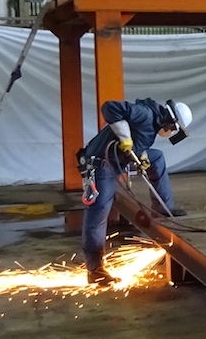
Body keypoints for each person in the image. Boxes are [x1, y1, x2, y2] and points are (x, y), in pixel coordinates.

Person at [77, 98, 193, 286]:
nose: (172, 132)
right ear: (169, 121)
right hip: (102, 165)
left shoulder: (153, 123)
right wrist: (125, 138)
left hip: (117, 161)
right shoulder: (145, 113)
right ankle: (95, 270)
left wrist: (142, 155)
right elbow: (109, 107)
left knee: (157, 157)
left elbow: (139, 138)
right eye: (173, 129)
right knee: (98, 213)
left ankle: (163, 207)